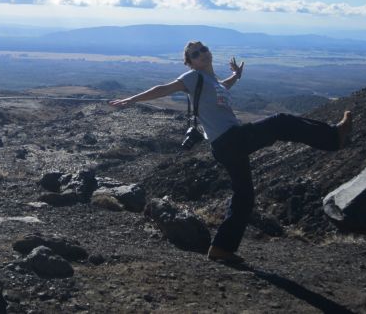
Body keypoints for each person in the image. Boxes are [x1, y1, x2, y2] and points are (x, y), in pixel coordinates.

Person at [109, 40, 352, 264]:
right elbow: (163, 88)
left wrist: (236, 75)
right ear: (190, 62)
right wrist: (131, 100)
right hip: (231, 140)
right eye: (195, 53)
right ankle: (332, 138)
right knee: (281, 121)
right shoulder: (193, 77)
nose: (201, 53)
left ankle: (221, 248)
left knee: (244, 197)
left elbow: (222, 87)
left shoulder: (211, 82)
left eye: (203, 48)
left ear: (209, 52)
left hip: (226, 146)